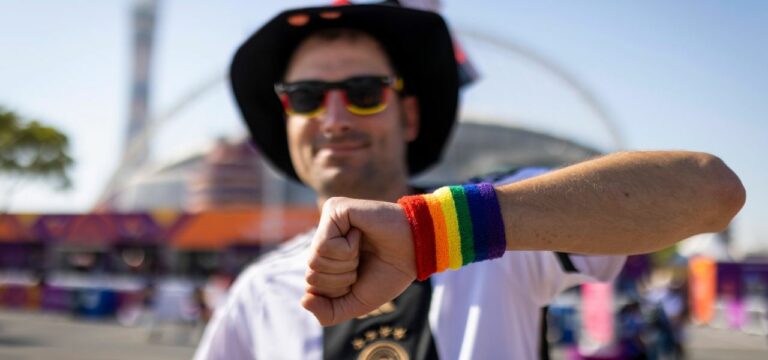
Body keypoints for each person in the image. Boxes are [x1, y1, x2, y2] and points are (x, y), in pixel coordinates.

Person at [194, 3, 745, 359]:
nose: (334, 119)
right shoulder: (257, 295)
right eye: (307, 98)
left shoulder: (499, 222)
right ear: (288, 122)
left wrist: (430, 232)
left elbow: (710, 192)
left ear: (407, 116)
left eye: (365, 92)